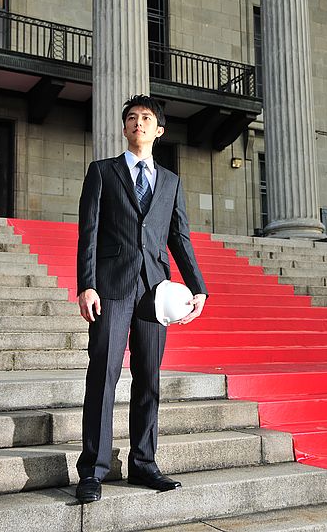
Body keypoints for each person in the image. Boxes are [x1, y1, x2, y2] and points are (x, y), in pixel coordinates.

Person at [75, 94, 208, 503]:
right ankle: (93, 470)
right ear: (124, 128)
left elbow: (178, 236)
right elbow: (90, 234)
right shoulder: (102, 172)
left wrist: (198, 286)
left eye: (146, 118)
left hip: (154, 291)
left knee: (148, 377)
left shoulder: (170, 181)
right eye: (131, 118)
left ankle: (144, 463)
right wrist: (86, 284)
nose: (138, 123)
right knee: (104, 374)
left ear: (159, 130)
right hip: (111, 287)